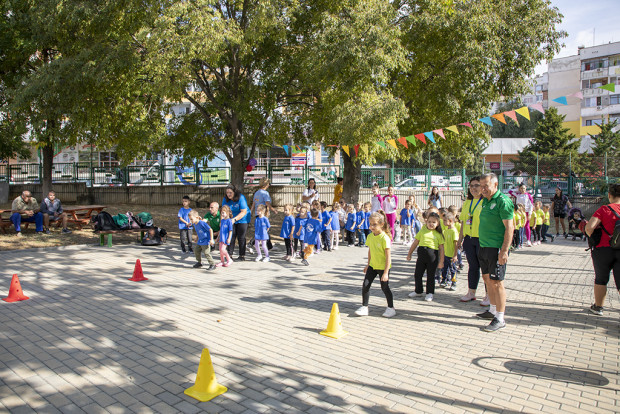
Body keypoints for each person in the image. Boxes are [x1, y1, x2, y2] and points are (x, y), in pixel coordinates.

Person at [476, 173, 514, 332]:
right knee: (487, 279)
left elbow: (509, 227)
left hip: (496, 248)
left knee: (497, 282)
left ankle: (500, 317)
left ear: (496, 185)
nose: (483, 189)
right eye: (481, 186)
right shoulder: (485, 200)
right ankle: (492, 310)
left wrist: (504, 250)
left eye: (486, 186)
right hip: (483, 246)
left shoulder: (503, 201)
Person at [584, 183, 620, 316]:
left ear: (609, 195)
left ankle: (598, 307)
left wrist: (591, 236)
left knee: (601, 278)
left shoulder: (604, 209)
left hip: (603, 249)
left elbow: (589, 228)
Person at [354, 211, 396, 318]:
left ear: (381, 224)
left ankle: (391, 308)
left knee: (385, 288)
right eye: (370, 224)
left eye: (374, 224)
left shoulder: (385, 238)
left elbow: (388, 257)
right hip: (372, 266)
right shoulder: (370, 236)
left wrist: (386, 272)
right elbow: (370, 251)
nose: (371, 227)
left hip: (383, 267)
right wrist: (368, 264)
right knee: (365, 285)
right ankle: (364, 307)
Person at [457, 177, 486, 303]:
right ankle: (471, 292)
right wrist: (460, 239)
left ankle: (489, 295)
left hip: (482, 239)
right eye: (471, 186)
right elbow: (463, 222)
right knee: (472, 266)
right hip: (469, 239)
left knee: (485, 268)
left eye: (477, 185)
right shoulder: (467, 203)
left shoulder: (486, 202)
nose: (474, 188)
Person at [406, 211, 445, 302]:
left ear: (438, 223)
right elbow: (415, 242)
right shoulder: (423, 230)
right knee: (417, 274)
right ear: (426, 222)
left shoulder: (438, 234)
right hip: (421, 256)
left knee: (430, 276)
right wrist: (409, 253)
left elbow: (441, 249)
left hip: (433, 257)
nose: (431, 224)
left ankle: (429, 293)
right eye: (429, 222)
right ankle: (418, 291)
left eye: (434, 222)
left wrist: (441, 261)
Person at [222, 184, 250, 261]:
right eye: (227, 193)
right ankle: (229, 254)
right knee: (231, 236)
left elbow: (243, 212)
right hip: (231, 219)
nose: (228, 194)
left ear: (234, 192)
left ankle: (242, 255)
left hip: (243, 218)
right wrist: (222, 221)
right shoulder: (225, 199)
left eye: (230, 192)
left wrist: (234, 219)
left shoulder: (241, 198)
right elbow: (223, 210)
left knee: (241, 237)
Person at [441, 212, 459, 291]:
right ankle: (444, 280)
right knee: (444, 268)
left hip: (451, 255)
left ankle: (454, 283)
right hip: (445, 254)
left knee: (452, 269)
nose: (444, 222)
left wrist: (455, 255)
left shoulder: (454, 231)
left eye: (445, 221)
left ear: (450, 220)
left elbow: (456, 244)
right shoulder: (446, 230)